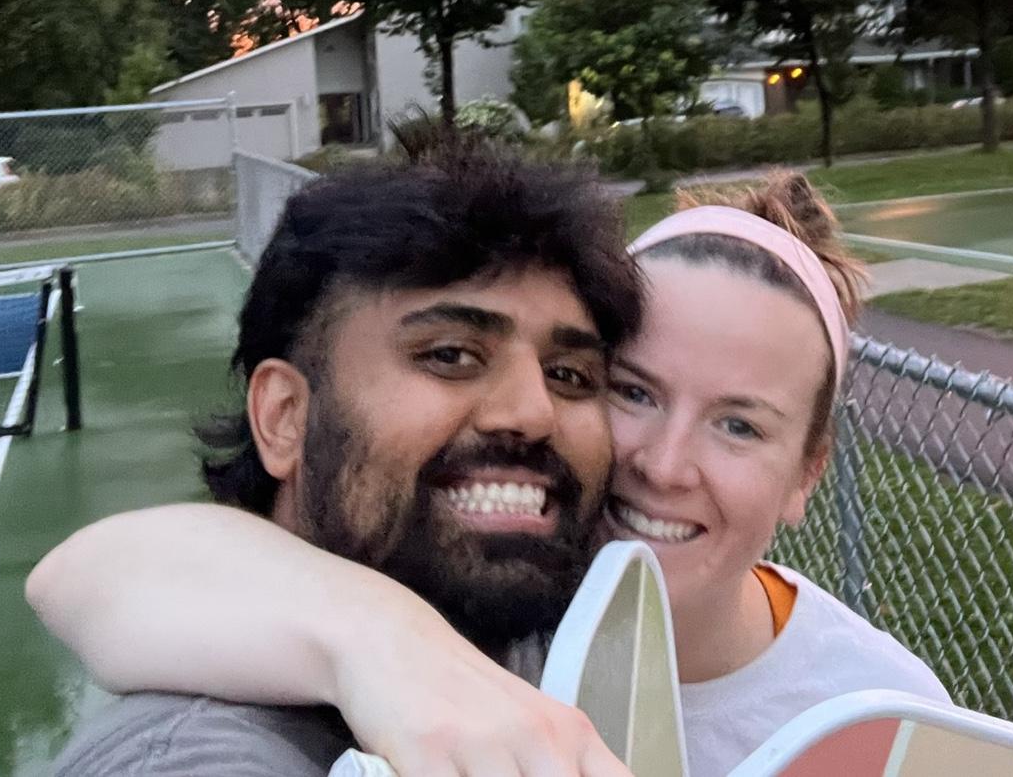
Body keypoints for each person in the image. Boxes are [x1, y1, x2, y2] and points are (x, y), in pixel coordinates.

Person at [33, 170, 949, 777]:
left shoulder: (515, 599)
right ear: (283, 416)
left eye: (567, 375)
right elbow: (84, 574)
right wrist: (382, 643)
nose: (664, 466)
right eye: (627, 390)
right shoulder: (220, 735)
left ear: (808, 474)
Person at [39, 143, 646, 777]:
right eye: (449, 355)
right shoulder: (205, 753)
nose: (533, 412)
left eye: (571, 374)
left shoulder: (549, 638)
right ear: (284, 417)